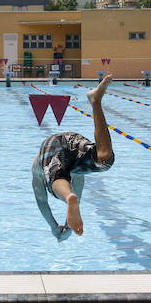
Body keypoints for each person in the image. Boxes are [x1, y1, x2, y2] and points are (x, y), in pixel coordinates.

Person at [32, 75, 115, 241]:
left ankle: (95, 99)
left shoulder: (38, 170)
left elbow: (42, 202)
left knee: (58, 179)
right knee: (104, 160)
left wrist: (54, 227)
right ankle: (95, 101)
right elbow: (74, 203)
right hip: (71, 139)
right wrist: (66, 226)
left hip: (54, 144)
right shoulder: (77, 174)